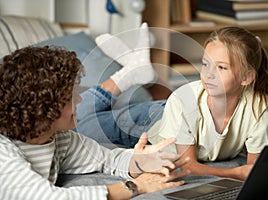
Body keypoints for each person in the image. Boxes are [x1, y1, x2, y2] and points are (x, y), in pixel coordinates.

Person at [77, 25, 268, 181]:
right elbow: (188, 165)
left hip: (173, 116)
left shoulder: (258, 107)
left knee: (77, 124)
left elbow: (255, 169)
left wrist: (244, 172)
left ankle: (135, 70)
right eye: (206, 64)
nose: (209, 74)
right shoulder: (183, 101)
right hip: (154, 119)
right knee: (78, 124)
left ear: (247, 78)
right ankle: (129, 73)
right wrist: (235, 172)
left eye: (221, 68)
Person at [0, 45, 191, 200]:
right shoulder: (4, 153)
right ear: (44, 108)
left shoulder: (60, 140)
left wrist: (140, 162)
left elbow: (109, 160)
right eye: (70, 96)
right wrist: (135, 187)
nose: (80, 100)